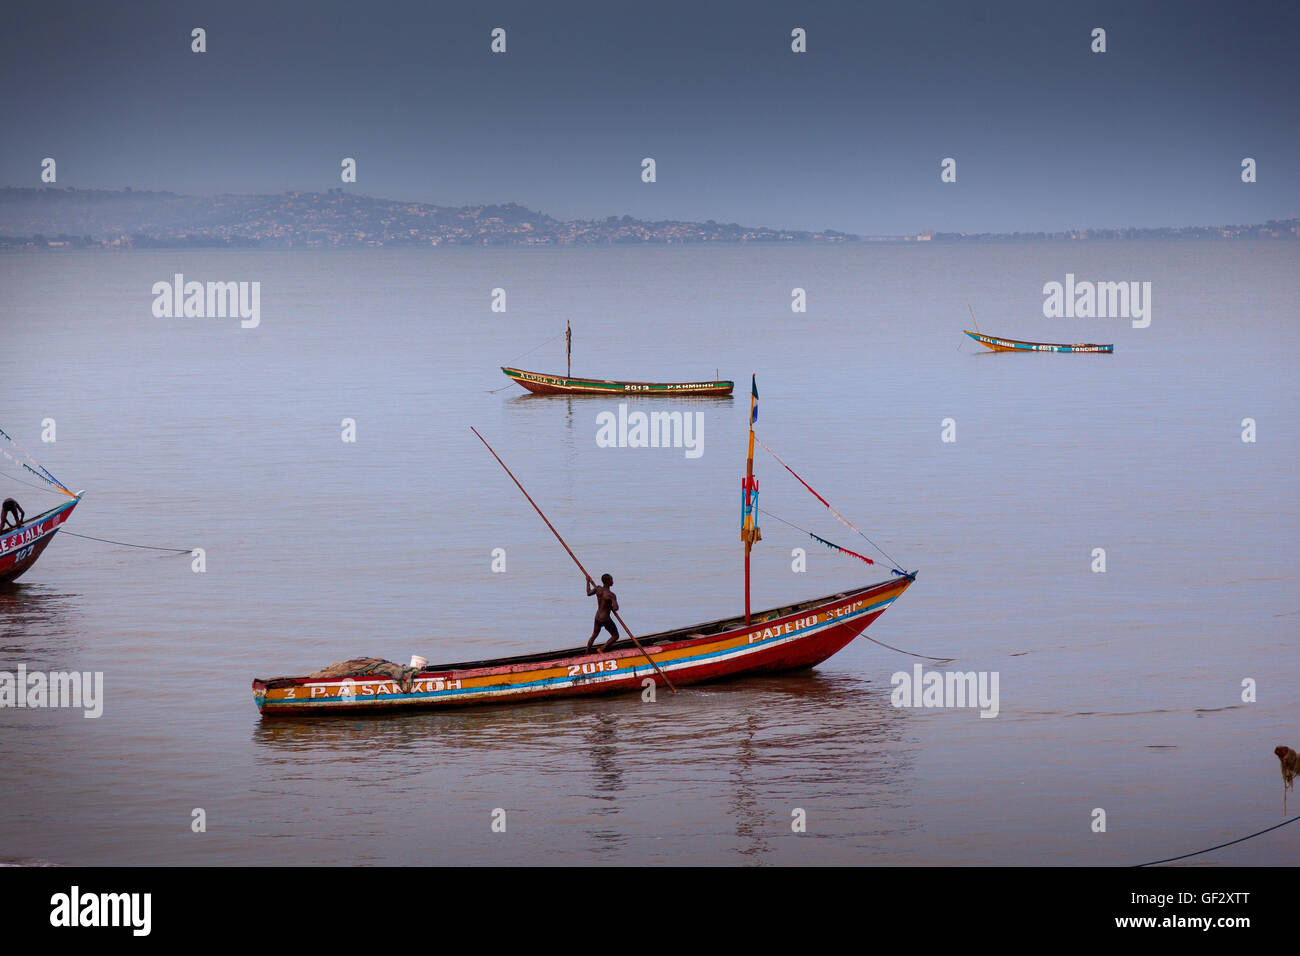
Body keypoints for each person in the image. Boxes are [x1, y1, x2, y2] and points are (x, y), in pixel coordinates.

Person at [585, 573, 620, 652]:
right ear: (607, 581)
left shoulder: (598, 589)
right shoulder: (611, 595)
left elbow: (588, 593)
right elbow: (616, 608)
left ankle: (586, 652)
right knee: (615, 636)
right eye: (611, 580)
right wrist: (612, 605)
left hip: (597, 617)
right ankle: (602, 649)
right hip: (605, 619)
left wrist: (588, 582)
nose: (613, 581)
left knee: (594, 635)